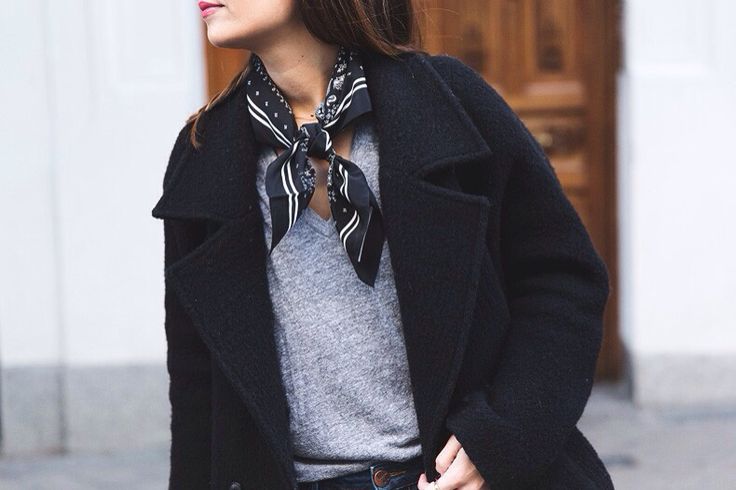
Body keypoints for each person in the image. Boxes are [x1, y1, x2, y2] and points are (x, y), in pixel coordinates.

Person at [151, 1, 614, 489]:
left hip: (453, 478)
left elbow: (562, 281)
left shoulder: (448, 101)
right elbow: (196, 386)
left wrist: (500, 439)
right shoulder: (205, 151)